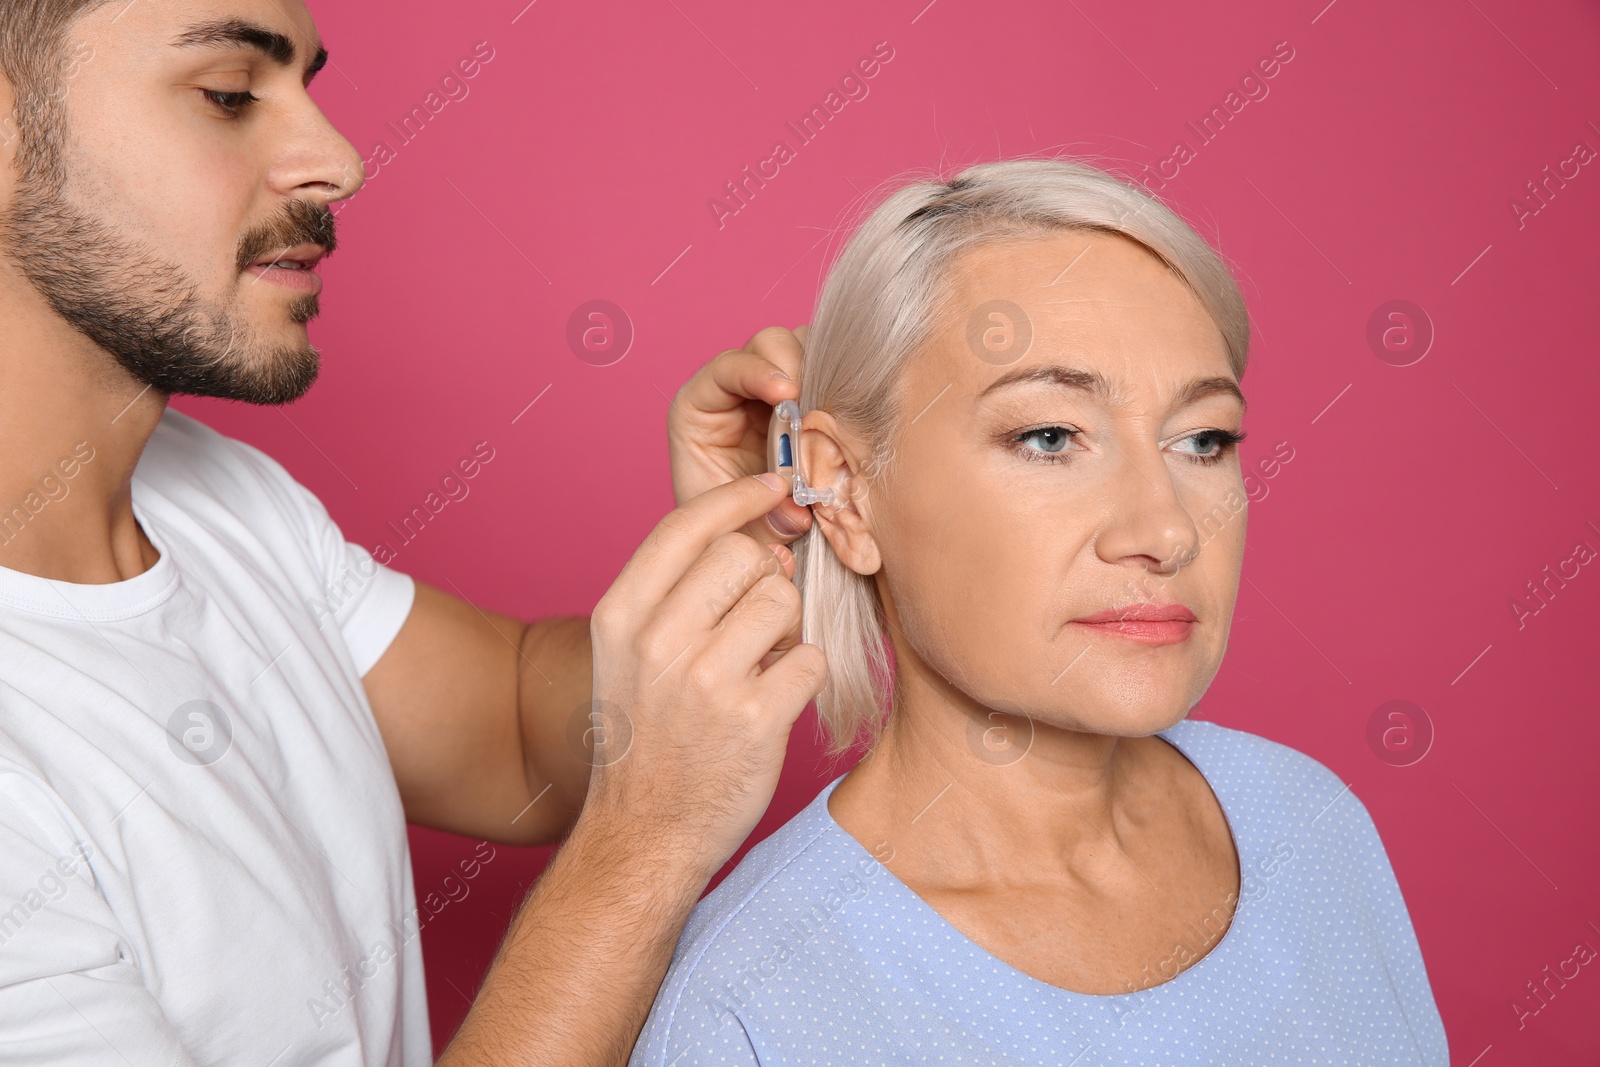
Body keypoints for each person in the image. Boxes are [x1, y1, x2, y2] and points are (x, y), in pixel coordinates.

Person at [0, 1, 822, 1063]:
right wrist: (645, 848)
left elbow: (520, 728)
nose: (336, 159)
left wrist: (746, 540)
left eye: (306, 87)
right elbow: (627, 795)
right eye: (229, 95)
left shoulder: (218, 497)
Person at [630, 159, 1450, 1065]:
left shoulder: (1309, 821)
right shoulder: (748, 1008)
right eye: (1051, 436)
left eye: (1203, 440)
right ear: (847, 492)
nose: (1169, 528)